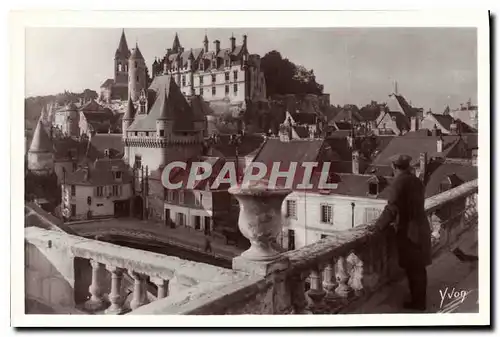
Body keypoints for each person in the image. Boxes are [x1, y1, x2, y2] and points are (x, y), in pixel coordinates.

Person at [374, 154, 432, 312]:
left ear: (394, 167)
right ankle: (420, 300)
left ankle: (418, 303)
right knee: (419, 269)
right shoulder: (417, 181)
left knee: (414, 269)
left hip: (410, 232)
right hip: (422, 228)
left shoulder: (398, 183)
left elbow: (392, 208)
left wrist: (378, 226)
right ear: (408, 166)